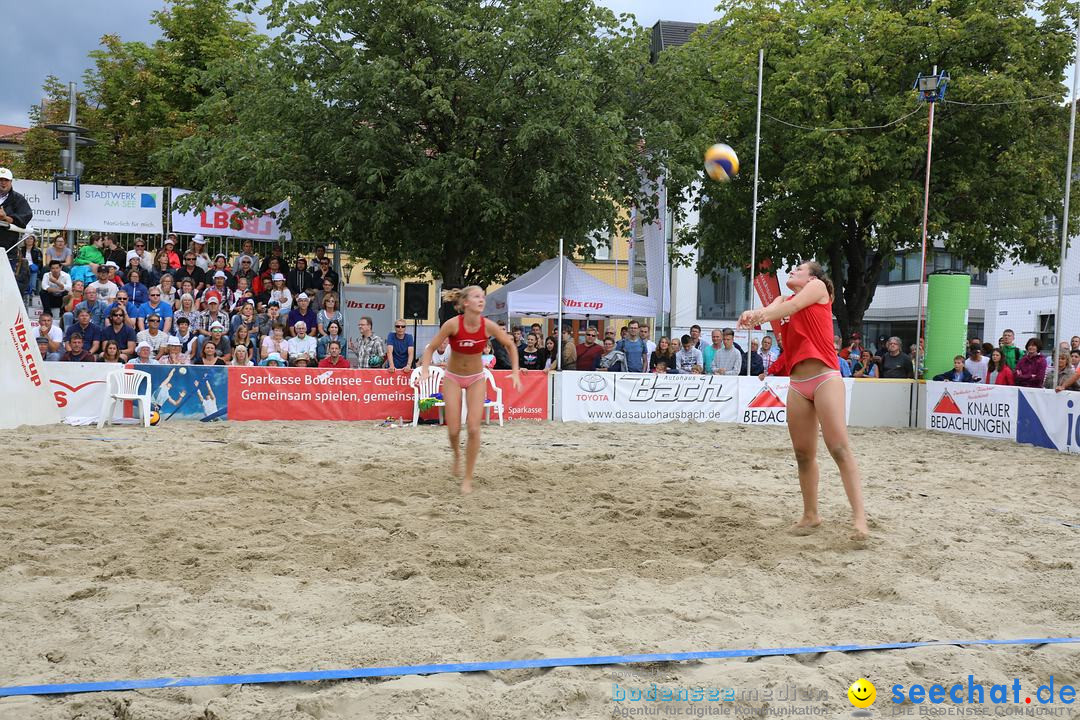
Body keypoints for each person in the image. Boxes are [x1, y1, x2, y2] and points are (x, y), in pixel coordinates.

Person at [739, 260, 868, 540]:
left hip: (825, 377)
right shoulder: (782, 298)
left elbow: (790, 308)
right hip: (798, 383)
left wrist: (758, 315)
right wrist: (755, 314)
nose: (792, 271)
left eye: (798, 268)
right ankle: (811, 516)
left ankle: (859, 518)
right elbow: (776, 308)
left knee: (838, 448)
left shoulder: (817, 288)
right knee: (803, 455)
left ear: (812, 276)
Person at [419, 286, 521, 494]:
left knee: (474, 428)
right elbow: (430, 348)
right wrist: (425, 369)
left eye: (483, 297)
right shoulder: (453, 324)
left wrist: (516, 371)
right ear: (466, 302)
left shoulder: (488, 326)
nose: (481, 300)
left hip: (476, 378)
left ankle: (467, 477)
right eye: (477, 297)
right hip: (453, 378)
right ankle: (457, 454)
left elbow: (509, 345)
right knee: (453, 429)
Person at [0, 167, 34, 252]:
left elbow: (25, 217)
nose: (3, 183)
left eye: (6, 180)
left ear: (11, 182)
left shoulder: (18, 199)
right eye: (0, 180)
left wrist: (5, 218)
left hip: (7, 248)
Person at [20, 233, 42, 306]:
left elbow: (40, 263)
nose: (29, 240)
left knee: (34, 271)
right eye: (27, 238)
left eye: (31, 238)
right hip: (22, 268)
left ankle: (31, 291)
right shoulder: (20, 250)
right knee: (24, 270)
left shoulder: (37, 251)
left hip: (34, 268)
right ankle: (26, 291)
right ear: (24, 240)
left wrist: (35, 267)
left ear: (34, 240)